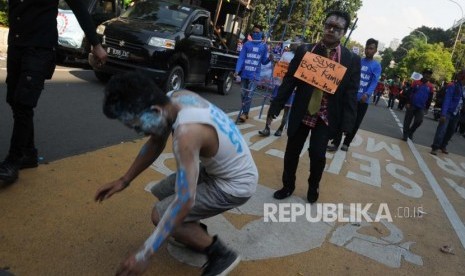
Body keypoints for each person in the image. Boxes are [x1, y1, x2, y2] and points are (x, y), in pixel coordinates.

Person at [95, 72, 258, 276]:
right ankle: (194, 234)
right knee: (162, 191)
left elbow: (185, 200)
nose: (139, 132)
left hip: (235, 185)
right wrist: (124, 180)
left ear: (154, 110)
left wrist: (145, 254)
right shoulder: (175, 98)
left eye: (136, 125)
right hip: (219, 170)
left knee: (160, 214)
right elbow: (156, 141)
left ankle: (221, 255)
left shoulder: (186, 134)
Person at [0, 0, 107, 185]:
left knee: (24, 102)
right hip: (17, 43)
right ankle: (29, 153)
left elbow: (79, 8)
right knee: (14, 99)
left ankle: (13, 160)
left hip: (40, 48)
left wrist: (96, 44)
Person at [267, 10, 360, 203]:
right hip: (302, 111)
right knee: (292, 151)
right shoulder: (305, 51)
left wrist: (346, 126)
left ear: (344, 32)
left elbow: (350, 95)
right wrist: (276, 105)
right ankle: (288, 185)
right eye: (328, 25)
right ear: (323, 26)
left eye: (337, 28)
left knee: (317, 155)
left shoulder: (350, 60)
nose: (331, 30)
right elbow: (289, 81)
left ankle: (313, 185)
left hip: (326, 116)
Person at [327, 38, 382, 152]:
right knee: (342, 118)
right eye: (367, 48)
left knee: (356, 122)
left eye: (371, 48)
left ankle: (347, 143)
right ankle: (335, 142)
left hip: (363, 100)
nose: (368, 50)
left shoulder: (376, 66)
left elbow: (374, 82)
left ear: (375, 50)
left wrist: (367, 94)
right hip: (350, 97)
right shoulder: (358, 61)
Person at [258, 37, 304, 137]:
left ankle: (280, 128)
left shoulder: (303, 59)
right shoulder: (286, 54)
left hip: (293, 88)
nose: (293, 44)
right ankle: (267, 127)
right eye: (293, 41)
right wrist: (274, 63)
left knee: (287, 109)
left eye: (296, 42)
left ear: (301, 45)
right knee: (273, 104)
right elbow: (279, 67)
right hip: (280, 85)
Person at [234, 24, 273, 123]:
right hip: (244, 74)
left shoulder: (263, 46)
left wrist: (269, 59)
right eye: (254, 32)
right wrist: (237, 70)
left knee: (249, 94)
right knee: (243, 93)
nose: (255, 34)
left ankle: (244, 113)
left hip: (255, 75)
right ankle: (245, 111)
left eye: (257, 32)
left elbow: (264, 61)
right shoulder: (247, 44)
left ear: (261, 33)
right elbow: (241, 58)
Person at [430, 69, 465, 155]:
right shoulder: (453, 86)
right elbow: (447, 99)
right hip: (448, 112)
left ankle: (443, 145)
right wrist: (443, 114)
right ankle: (435, 147)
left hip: (457, 113)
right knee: (442, 130)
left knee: (451, 130)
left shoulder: (463, 88)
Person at [402, 68, 435, 141]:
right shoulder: (415, 83)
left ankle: (411, 132)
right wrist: (407, 102)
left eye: (429, 74)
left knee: (419, 121)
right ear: (423, 74)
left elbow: (430, 98)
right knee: (407, 121)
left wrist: (427, 108)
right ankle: (405, 134)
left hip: (421, 108)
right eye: (426, 73)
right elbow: (409, 93)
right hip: (412, 105)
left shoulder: (430, 86)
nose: (428, 75)